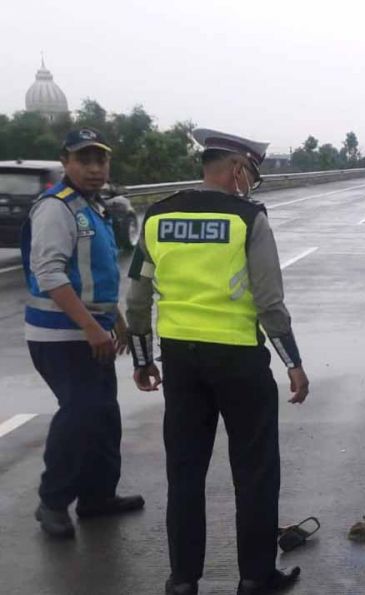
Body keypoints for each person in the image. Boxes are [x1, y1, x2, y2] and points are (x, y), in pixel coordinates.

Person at [125, 128, 310, 595]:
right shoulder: (248, 217)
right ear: (235, 168)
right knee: (255, 473)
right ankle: (255, 579)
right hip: (239, 362)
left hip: (182, 364)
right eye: (250, 170)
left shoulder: (157, 216)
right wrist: (292, 361)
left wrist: (144, 358)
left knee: (184, 474)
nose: (251, 180)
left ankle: (183, 580)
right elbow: (269, 300)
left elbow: (137, 296)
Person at [20, 128, 145, 539]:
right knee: (79, 415)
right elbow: (50, 274)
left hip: (93, 332)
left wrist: (117, 321)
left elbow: (99, 276)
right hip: (60, 336)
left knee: (103, 416)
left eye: (100, 161)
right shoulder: (55, 208)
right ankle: (52, 502)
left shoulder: (95, 207)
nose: (94, 169)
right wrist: (92, 327)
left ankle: (96, 497)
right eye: (84, 160)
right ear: (66, 162)